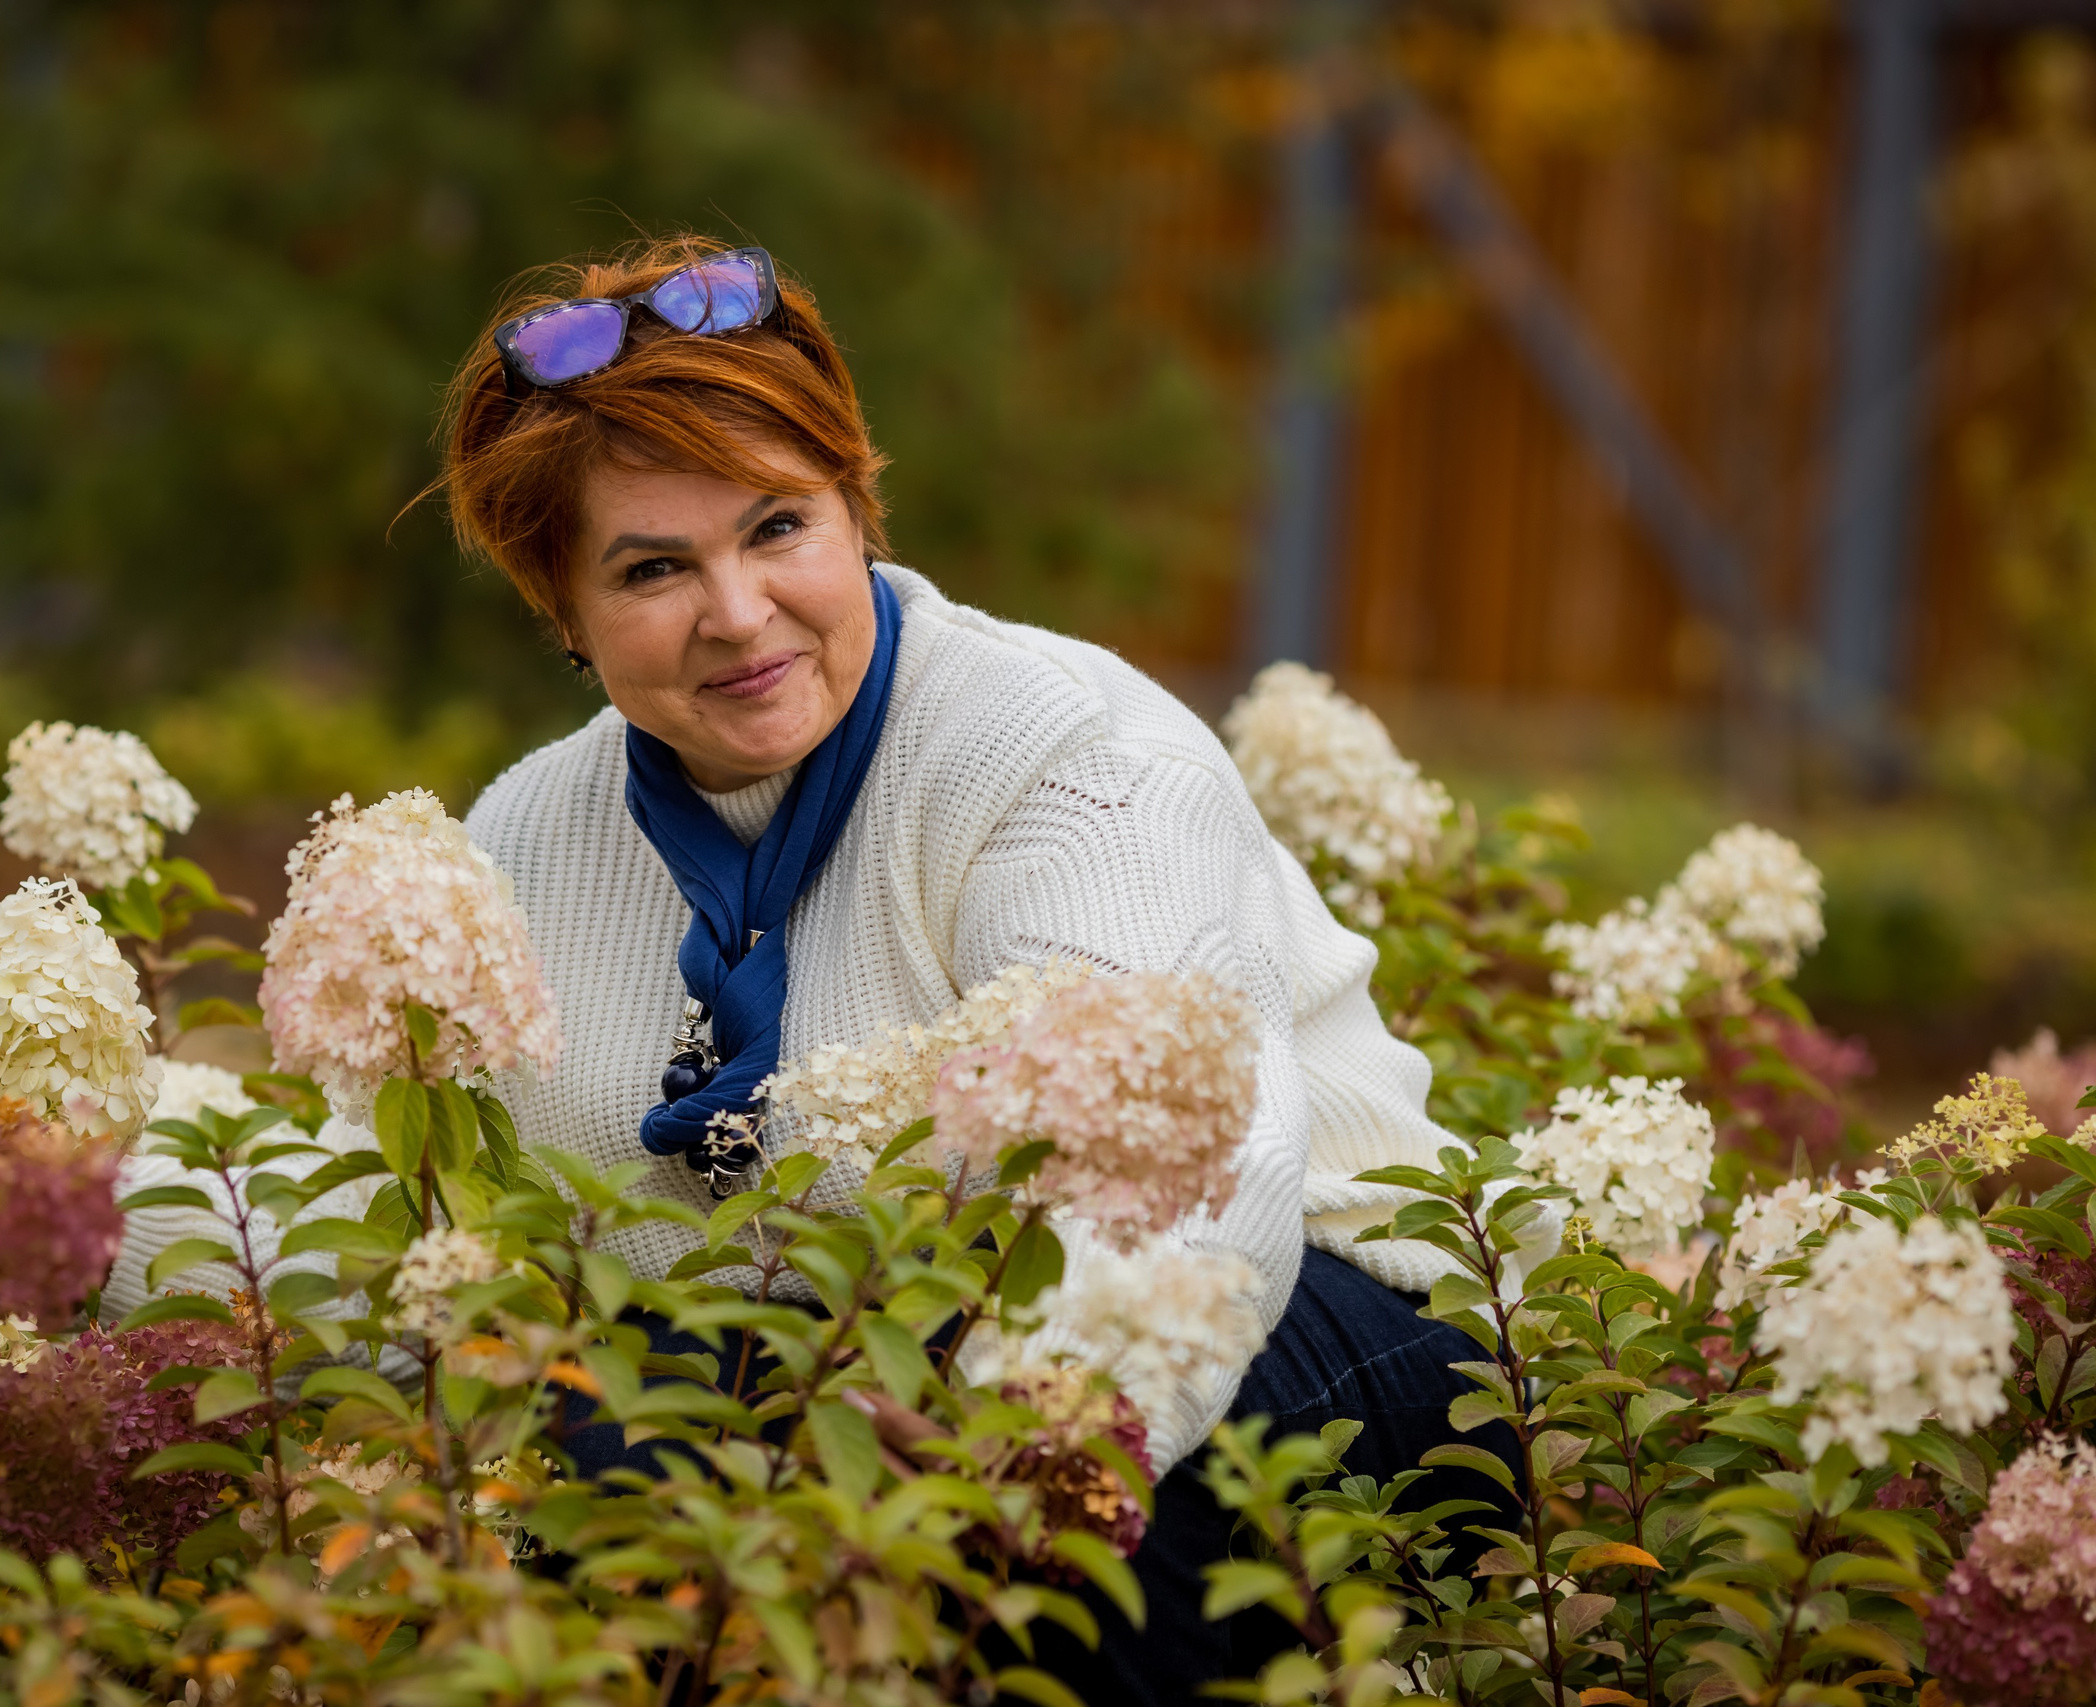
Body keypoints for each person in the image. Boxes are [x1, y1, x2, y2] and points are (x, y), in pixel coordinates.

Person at [438, 237, 1508, 1696]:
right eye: (651, 568)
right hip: (835, 1373)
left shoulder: (1064, 754)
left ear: (857, 508)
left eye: (776, 528)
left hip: (1299, 1313)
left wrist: (1022, 1435)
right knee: (612, 1458)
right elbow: (438, 1225)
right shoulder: (525, 837)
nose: (739, 613)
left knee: (1059, 1549)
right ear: (562, 611)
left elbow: (1195, 1182)